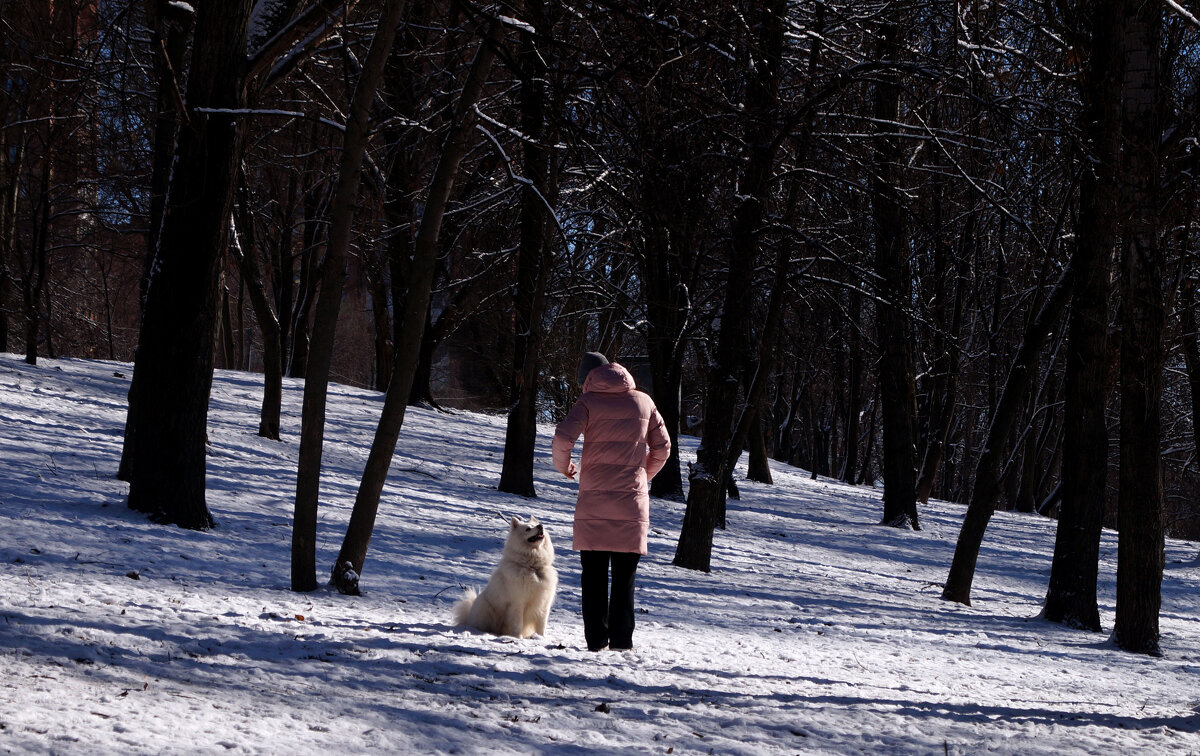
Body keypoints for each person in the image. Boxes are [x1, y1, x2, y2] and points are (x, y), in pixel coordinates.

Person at [552, 351, 671, 651]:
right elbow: (664, 447)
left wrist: (564, 467)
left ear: (589, 378)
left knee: (592, 575)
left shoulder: (588, 402)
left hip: (593, 501)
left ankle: (595, 640)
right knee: (624, 578)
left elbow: (563, 438)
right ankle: (621, 642)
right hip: (631, 502)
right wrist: (644, 475)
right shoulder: (644, 402)